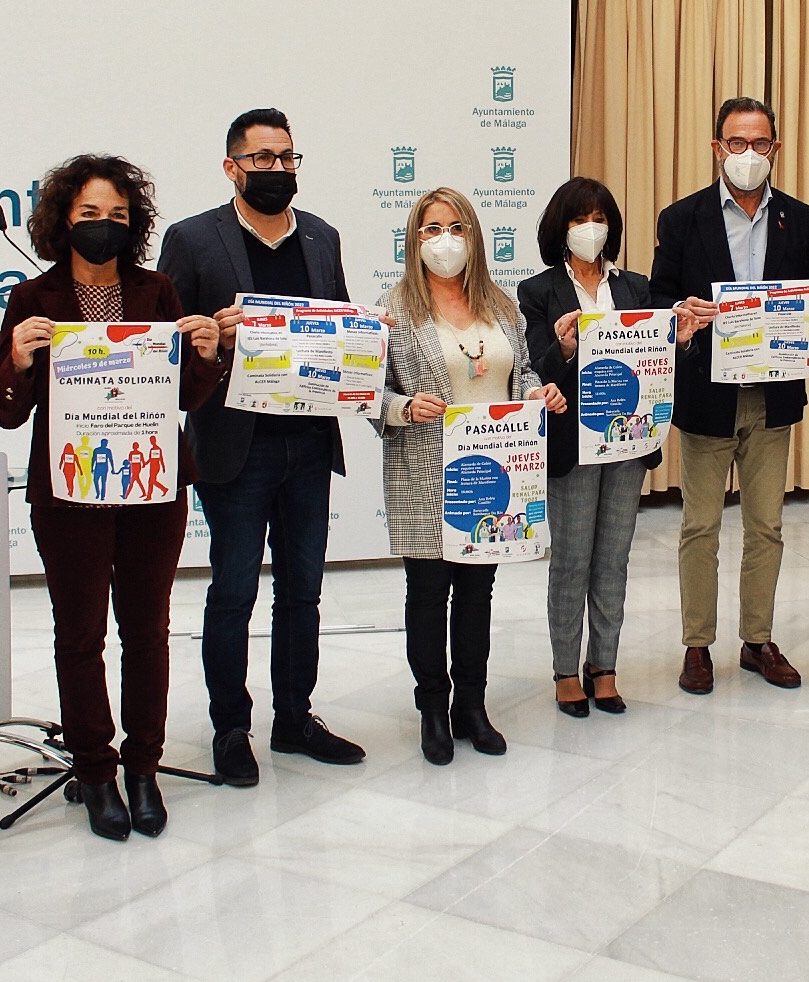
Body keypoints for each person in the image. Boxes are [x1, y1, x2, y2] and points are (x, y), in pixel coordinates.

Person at [0, 155, 223, 841]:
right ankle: (94, 771)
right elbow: (7, 413)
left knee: (147, 631)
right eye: (90, 214)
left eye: (118, 216)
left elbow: (183, 397)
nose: (104, 226)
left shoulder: (158, 292)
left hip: (151, 491)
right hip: (68, 497)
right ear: (63, 218)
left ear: (135, 224)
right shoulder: (33, 299)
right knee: (80, 634)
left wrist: (205, 353)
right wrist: (19, 361)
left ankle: (143, 767)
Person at [158, 107, 365, 787]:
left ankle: (295, 717)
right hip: (234, 449)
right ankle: (229, 727)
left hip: (307, 444)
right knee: (234, 592)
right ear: (231, 168)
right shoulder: (192, 240)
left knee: (302, 592)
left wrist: (365, 339)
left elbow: (337, 327)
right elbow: (169, 351)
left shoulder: (323, 236)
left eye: (287, 158)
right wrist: (208, 340)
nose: (278, 170)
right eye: (262, 159)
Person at [649, 97, 809, 694]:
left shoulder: (796, 217)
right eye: (737, 144)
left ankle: (757, 638)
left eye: (760, 144)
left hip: (772, 398)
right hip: (705, 395)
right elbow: (659, 302)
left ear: (776, 148)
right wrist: (680, 315)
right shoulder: (681, 218)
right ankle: (697, 646)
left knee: (767, 526)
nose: (748, 155)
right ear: (718, 148)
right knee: (701, 526)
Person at [377, 187, 565, 762]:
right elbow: (368, 393)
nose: (445, 239)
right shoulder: (395, 311)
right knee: (429, 596)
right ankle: (433, 709)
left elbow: (524, 372)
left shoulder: (501, 305)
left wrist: (541, 392)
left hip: (492, 472)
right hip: (427, 473)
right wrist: (403, 408)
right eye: (431, 228)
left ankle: (472, 706)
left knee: (478, 595)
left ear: (474, 236)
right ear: (414, 239)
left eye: (456, 227)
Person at [520, 176, 689, 717]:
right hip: (571, 445)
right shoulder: (538, 292)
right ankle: (566, 670)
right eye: (577, 218)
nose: (590, 228)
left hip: (627, 443)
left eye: (599, 218)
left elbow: (658, 365)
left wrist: (681, 339)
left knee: (613, 559)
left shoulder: (638, 288)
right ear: (559, 228)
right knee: (571, 560)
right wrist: (564, 348)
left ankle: (605, 666)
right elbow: (533, 369)